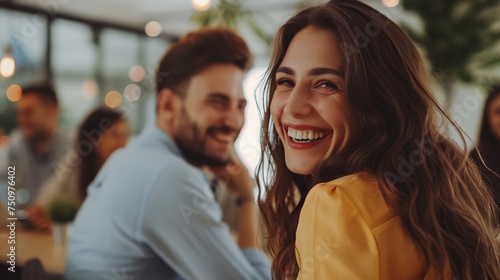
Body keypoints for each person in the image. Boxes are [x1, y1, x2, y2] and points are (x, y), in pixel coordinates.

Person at [256, 1, 500, 279]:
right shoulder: (435, 192)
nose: (292, 107)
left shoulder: (338, 203)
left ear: (380, 102)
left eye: (326, 84)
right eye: (285, 81)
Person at [65, 27, 270, 280]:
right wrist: (247, 200)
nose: (233, 120)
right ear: (168, 105)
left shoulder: (128, 158)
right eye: (217, 102)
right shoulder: (168, 176)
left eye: (240, 105)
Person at [26, 107, 129, 231]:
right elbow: (51, 190)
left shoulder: (127, 172)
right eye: (115, 135)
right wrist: (41, 213)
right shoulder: (74, 161)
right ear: (93, 140)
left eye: (125, 136)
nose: (123, 143)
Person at [0, 83, 71, 209]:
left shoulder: (73, 146)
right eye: (19, 114)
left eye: (27, 113)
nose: (21, 120)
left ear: (51, 110)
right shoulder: (18, 142)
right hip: (26, 225)